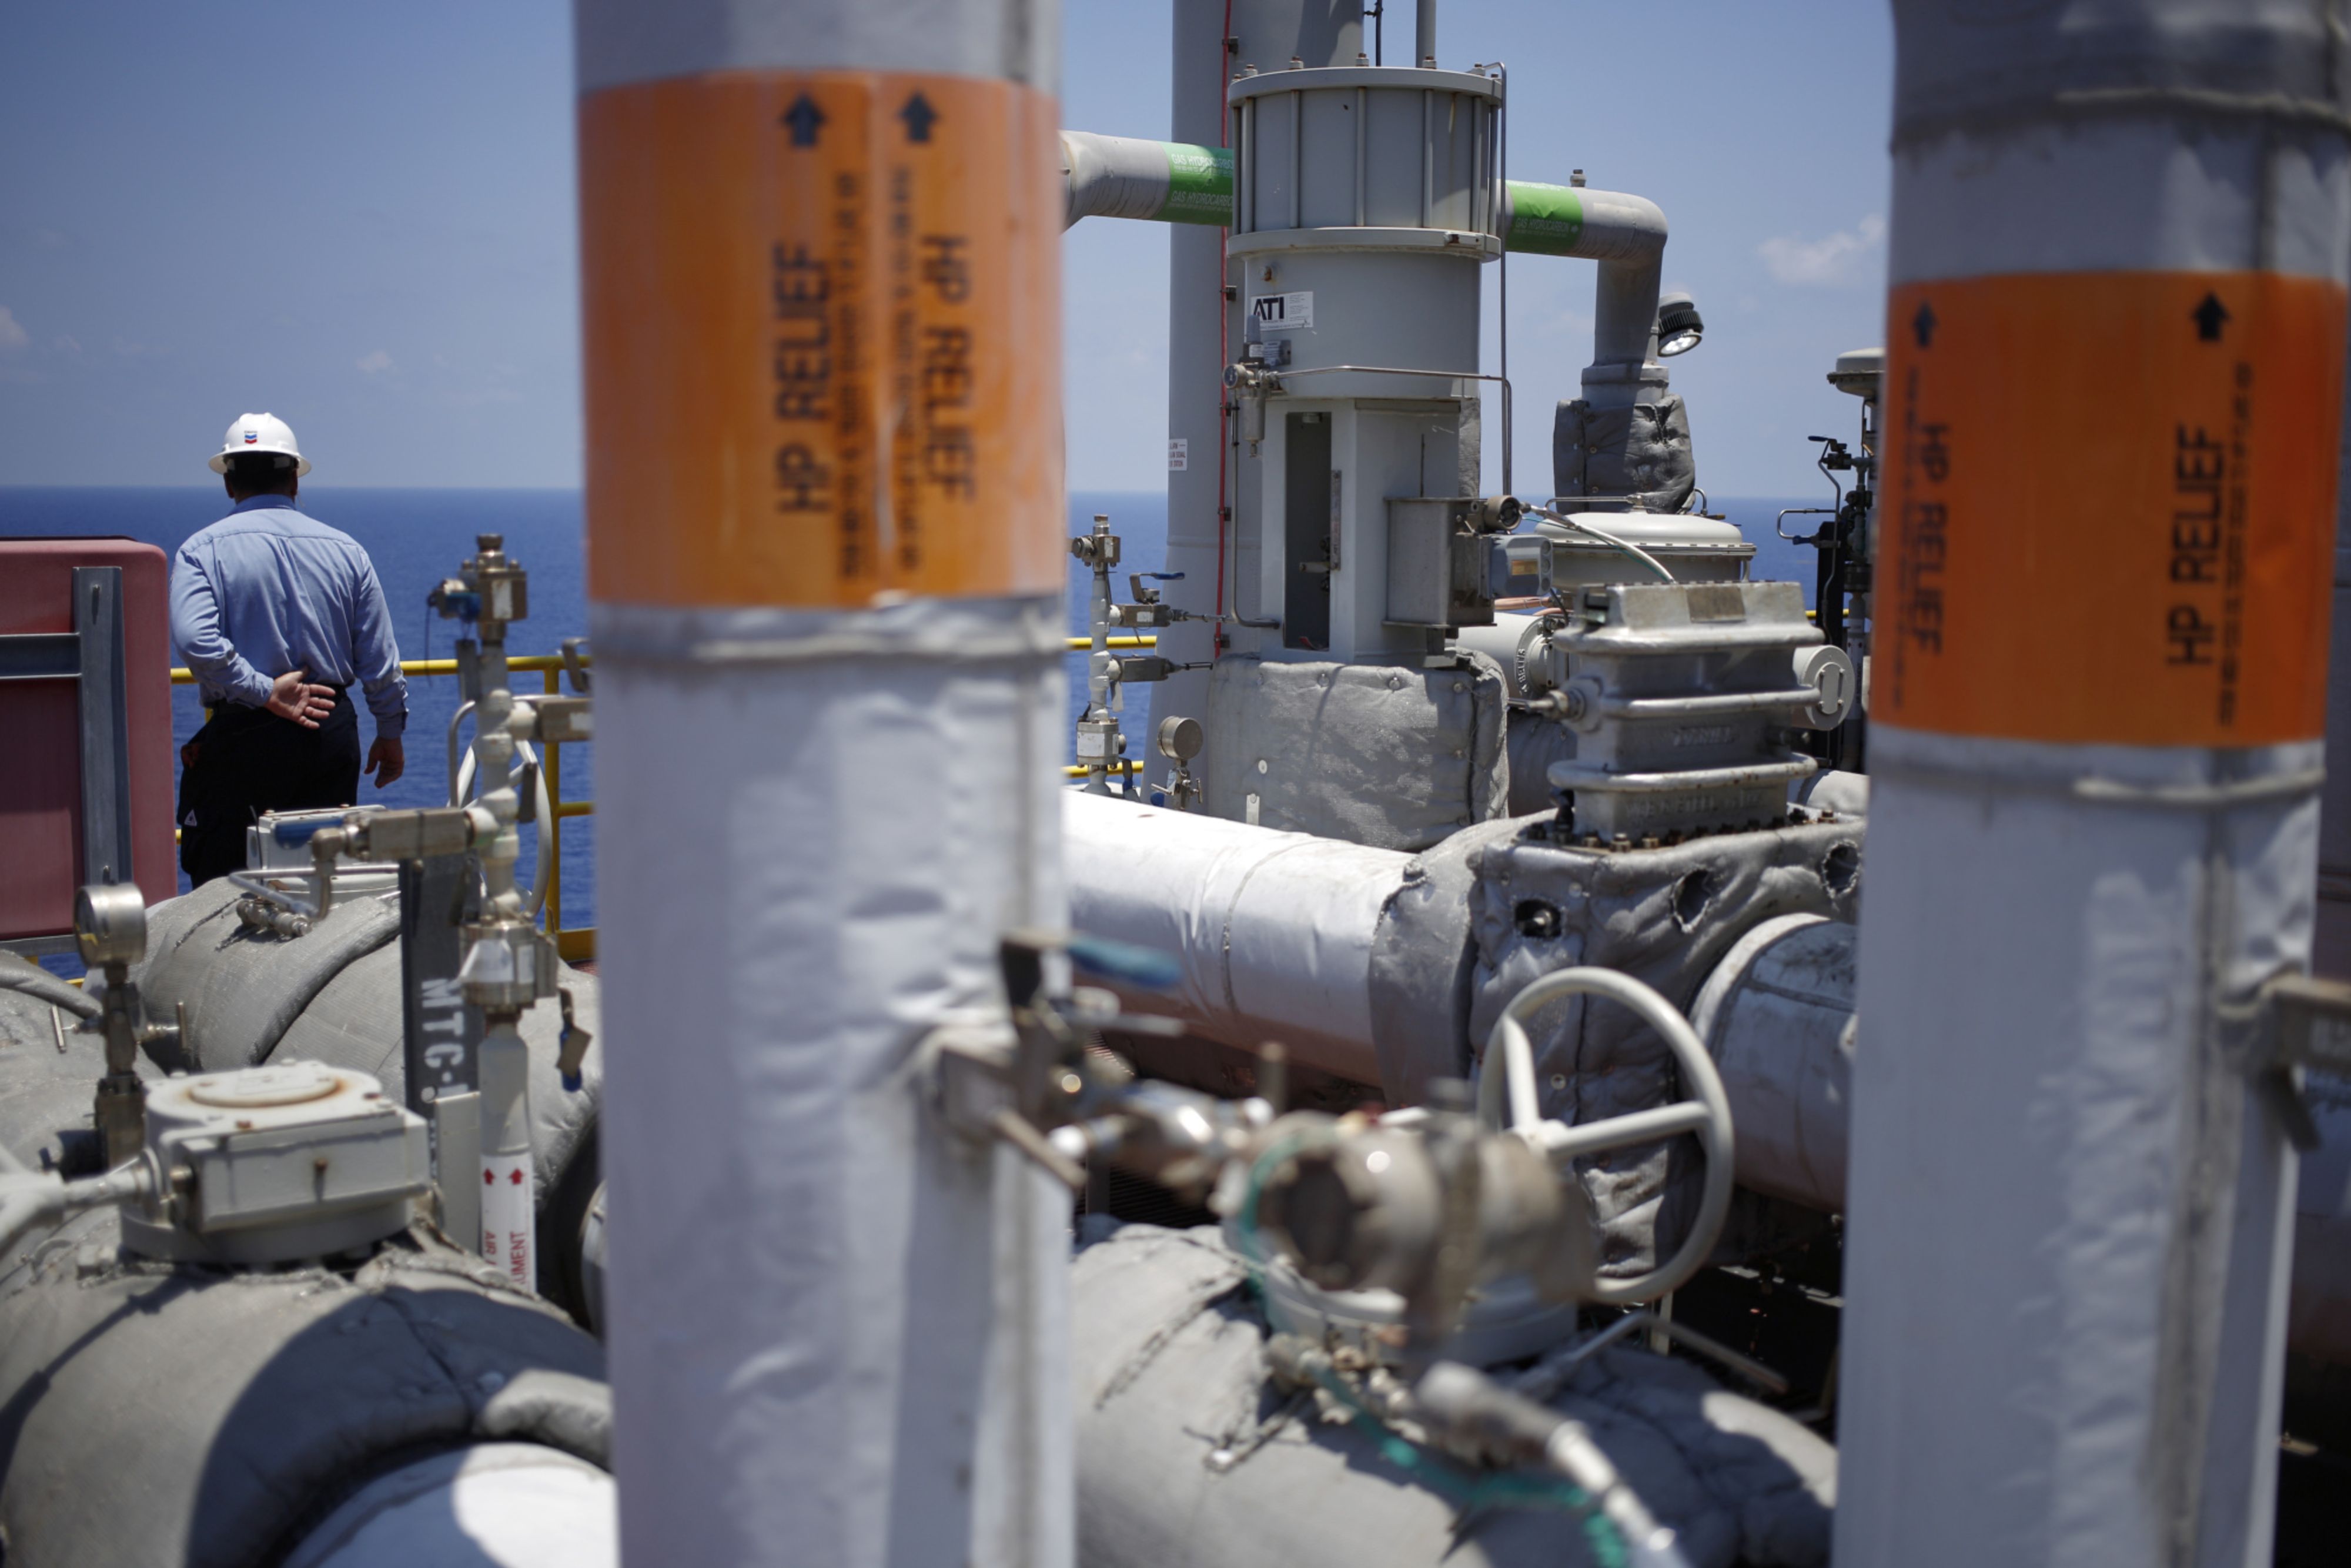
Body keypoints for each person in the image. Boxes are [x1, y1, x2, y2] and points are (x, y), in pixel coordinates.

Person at [171, 413, 409, 887]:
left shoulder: (202, 550)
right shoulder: (347, 550)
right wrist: (389, 729)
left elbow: (196, 640)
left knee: (229, 886)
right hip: (328, 726)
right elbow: (379, 658)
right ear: (294, 479)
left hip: (244, 733)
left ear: (229, 483)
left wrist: (264, 691)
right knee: (324, 882)